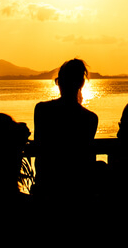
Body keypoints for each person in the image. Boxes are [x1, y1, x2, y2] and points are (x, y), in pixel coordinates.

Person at [32, 59, 99, 199]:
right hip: (78, 188)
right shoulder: (90, 118)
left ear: (59, 82)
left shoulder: (42, 110)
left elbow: (39, 145)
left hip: (46, 186)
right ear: (81, 83)